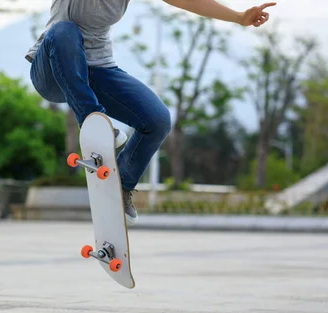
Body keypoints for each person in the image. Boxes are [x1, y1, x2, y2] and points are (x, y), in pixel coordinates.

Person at [26, 0, 276, 225]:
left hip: (97, 69)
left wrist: (239, 17)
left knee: (157, 120)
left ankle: (120, 186)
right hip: (52, 66)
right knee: (65, 30)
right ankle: (94, 122)